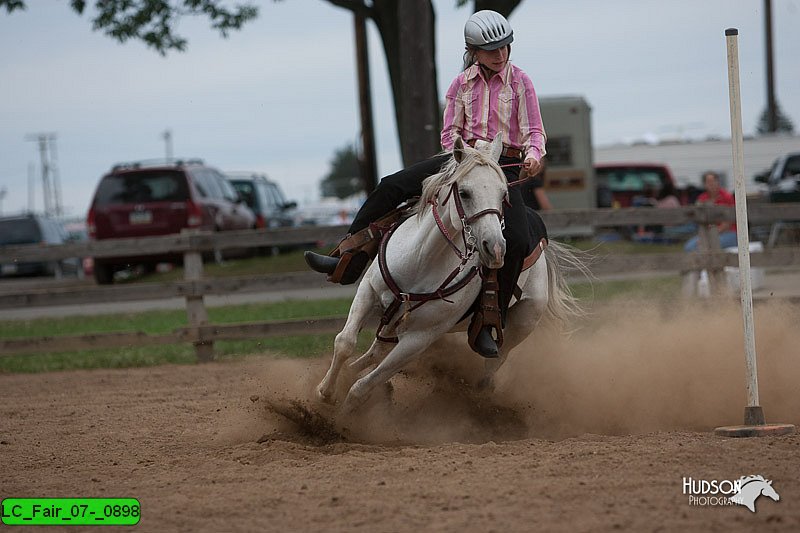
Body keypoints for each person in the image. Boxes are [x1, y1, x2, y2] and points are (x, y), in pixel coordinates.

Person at [304, 10, 546, 358]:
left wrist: (534, 154)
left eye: (504, 47)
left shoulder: (521, 82)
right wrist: (459, 156)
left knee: (518, 238)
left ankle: (487, 320)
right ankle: (348, 257)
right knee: (391, 186)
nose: (500, 54)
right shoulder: (460, 85)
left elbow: (534, 130)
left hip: (503, 164)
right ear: (473, 51)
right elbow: (450, 131)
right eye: (491, 49)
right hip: (460, 160)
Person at [683, 171, 737, 252]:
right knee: (689, 247)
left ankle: (712, 264)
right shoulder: (702, 198)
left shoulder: (727, 197)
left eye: (713, 181)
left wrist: (710, 235)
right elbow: (698, 218)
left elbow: (728, 223)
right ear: (704, 184)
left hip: (728, 232)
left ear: (718, 182)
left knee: (708, 245)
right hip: (706, 233)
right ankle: (700, 264)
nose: (711, 184)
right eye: (708, 182)